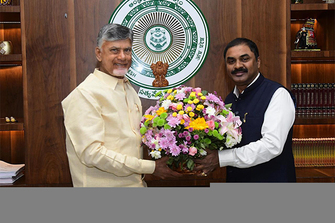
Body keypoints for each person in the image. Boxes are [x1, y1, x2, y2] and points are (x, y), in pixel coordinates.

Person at [61, 23, 182, 187]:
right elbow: (92, 154)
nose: (123, 57)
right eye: (114, 50)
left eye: (127, 50)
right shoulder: (85, 95)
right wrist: (150, 167)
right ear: (98, 53)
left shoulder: (129, 89)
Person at [194, 38, 296, 182]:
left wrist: (220, 158)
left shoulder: (277, 94)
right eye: (231, 61)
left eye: (244, 59)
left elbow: (272, 145)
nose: (237, 66)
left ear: (258, 62)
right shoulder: (229, 100)